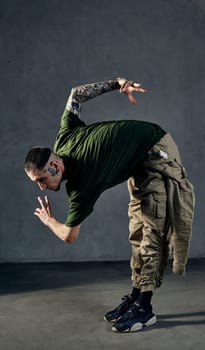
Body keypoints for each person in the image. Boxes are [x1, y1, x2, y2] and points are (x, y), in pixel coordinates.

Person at [24, 77, 195, 333]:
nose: (41, 186)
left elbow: (69, 236)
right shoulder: (63, 138)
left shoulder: (82, 184)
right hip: (138, 161)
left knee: (151, 234)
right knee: (137, 232)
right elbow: (76, 94)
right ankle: (136, 297)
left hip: (158, 152)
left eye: (42, 179)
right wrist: (117, 82)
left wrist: (49, 221)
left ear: (55, 165)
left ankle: (145, 310)